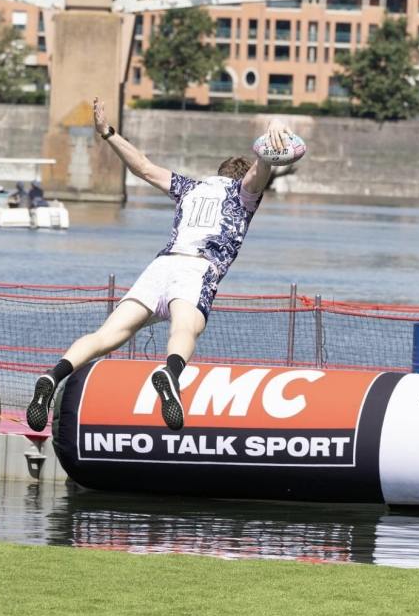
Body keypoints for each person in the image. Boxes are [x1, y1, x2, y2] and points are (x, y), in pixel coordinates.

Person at [25, 96, 291, 433]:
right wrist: (272, 133)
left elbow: (143, 167)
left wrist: (108, 133)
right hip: (196, 269)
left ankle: (54, 374)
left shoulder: (190, 187)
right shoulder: (241, 194)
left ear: (217, 172)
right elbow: (259, 171)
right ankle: (171, 372)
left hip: (160, 266)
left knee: (107, 334)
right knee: (185, 328)